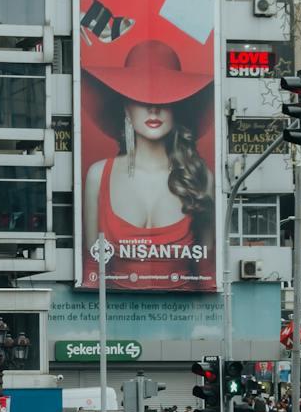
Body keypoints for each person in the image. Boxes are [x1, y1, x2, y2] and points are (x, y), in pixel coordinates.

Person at [80, 42, 216, 290]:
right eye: (141, 96)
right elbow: (91, 269)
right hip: (115, 320)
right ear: (126, 108)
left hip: (184, 319)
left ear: (178, 106)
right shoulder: (98, 176)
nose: (153, 108)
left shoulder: (201, 178)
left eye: (166, 97)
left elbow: (208, 273)